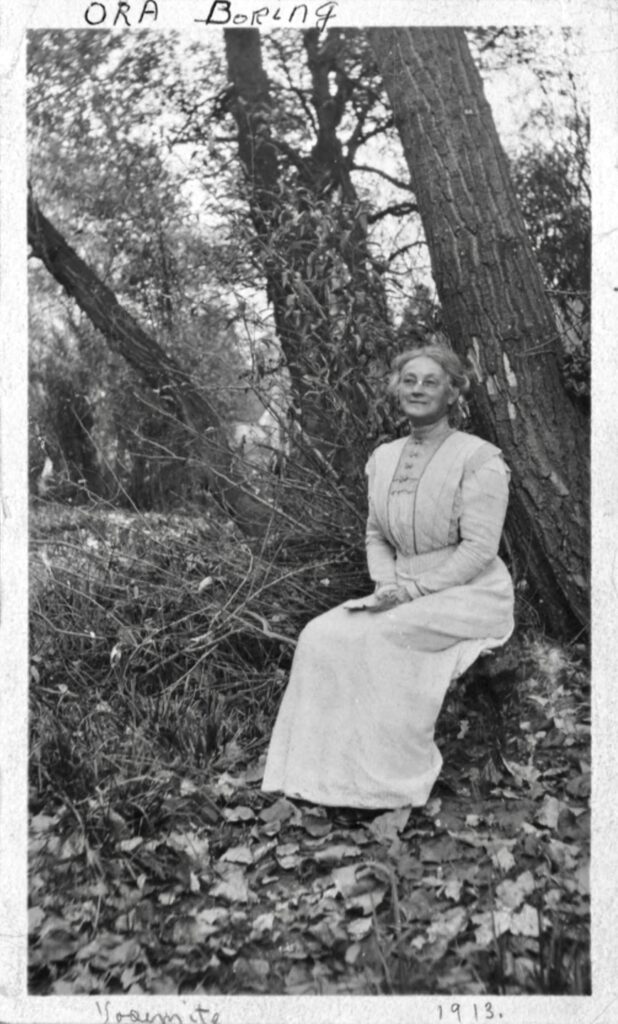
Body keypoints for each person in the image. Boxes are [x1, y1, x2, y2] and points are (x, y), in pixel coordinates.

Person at [261, 345, 515, 811]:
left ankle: (389, 784)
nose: (417, 389)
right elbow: (376, 533)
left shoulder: (478, 458)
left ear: (454, 392)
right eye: (409, 380)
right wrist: (385, 584)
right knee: (318, 635)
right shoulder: (384, 458)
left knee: (384, 637)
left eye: (431, 381)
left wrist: (414, 591)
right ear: (397, 389)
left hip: (468, 590)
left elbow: (480, 550)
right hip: (398, 588)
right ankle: (319, 778)